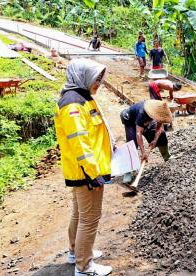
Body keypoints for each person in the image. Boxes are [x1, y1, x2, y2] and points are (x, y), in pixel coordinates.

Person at [54, 59, 112, 276]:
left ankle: (76, 252)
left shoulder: (82, 97)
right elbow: (80, 142)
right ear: (82, 76)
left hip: (85, 170)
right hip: (86, 172)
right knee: (90, 218)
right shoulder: (73, 103)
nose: (99, 82)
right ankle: (84, 267)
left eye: (100, 78)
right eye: (96, 78)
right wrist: (93, 173)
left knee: (80, 214)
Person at [120, 100, 173, 183]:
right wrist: (143, 152)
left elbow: (159, 128)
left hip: (143, 121)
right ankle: (128, 171)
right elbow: (138, 133)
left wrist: (155, 140)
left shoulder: (159, 114)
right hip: (129, 120)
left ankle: (167, 157)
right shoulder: (143, 113)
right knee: (132, 144)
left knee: (162, 135)